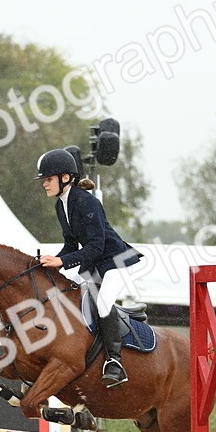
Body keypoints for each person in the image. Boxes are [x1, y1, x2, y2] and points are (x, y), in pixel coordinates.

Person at [35, 148, 141, 387]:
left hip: (116, 261)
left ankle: (115, 362)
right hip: (94, 262)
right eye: (44, 180)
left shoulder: (87, 202)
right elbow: (72, 244)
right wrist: (50, 265)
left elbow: (96, 245)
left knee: (103, 303)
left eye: (48, 179)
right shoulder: (61, 205)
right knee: (74, 296)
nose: (44, 184)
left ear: (65, 178)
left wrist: (62, 262)